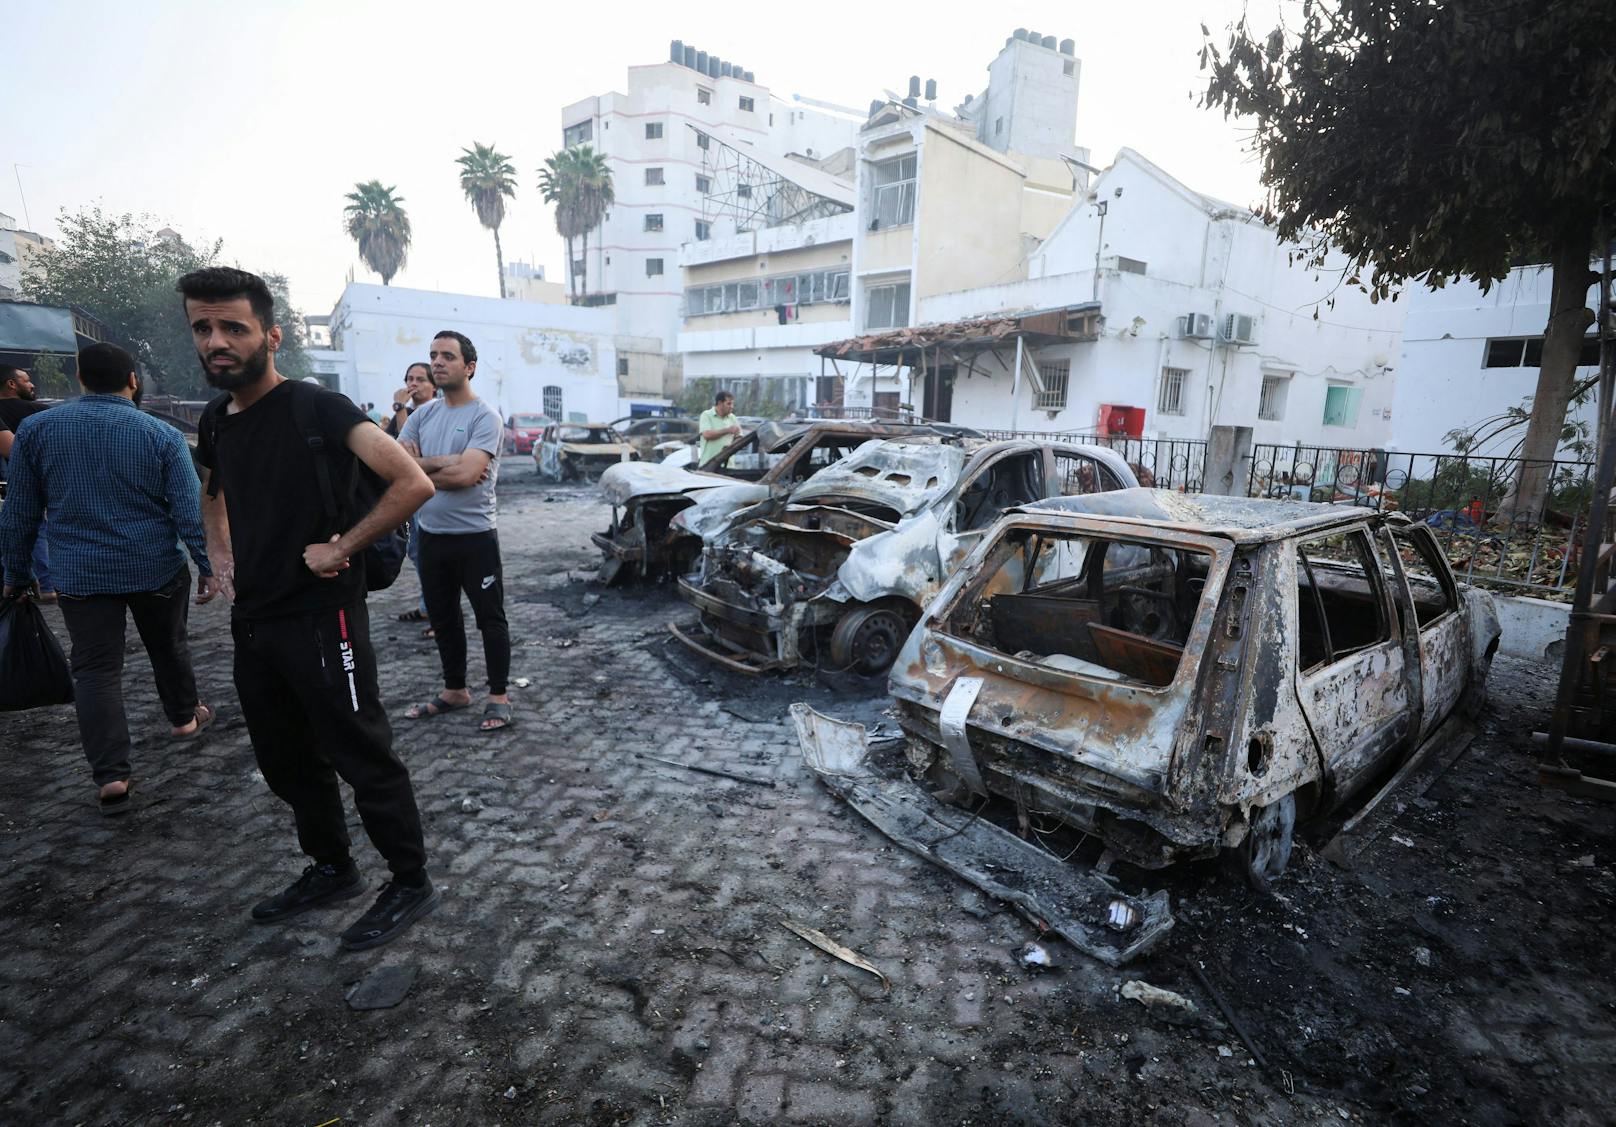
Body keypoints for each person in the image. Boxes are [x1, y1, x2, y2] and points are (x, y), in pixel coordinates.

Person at [182, 266, 440, 952]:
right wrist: (218, 553)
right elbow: (212, 489)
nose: (216, 342)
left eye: (232, 327)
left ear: (270, 335)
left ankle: (410, 880)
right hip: (256, 620)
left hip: (326, 615)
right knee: (285, 758)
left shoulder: (314, 407)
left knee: (361, 751)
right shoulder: (215, 419)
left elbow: (411, 482)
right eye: (202, 328)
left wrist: (343, 545)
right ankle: (332, 866)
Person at [0, 344, 217, 814]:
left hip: (80, 574)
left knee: (95, 671)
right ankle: (183, 718)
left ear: (80, 378)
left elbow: (18, 514)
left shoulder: (36, 431)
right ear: (133, 380)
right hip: (155, 567)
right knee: (169, 646)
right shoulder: (159, 435)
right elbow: (187, 510)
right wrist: (206, 566)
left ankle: (112, 775)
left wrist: (16, 574)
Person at [398, 330, 512, 732]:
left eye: (447, 355)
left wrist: (424, 466)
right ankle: (455, 691)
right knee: (444, 618)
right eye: (433, 355)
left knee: (489, 619)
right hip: (431, 536)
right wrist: (446, 463)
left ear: (470, 366)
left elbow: (467, 476)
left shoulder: (485, 416)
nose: (438, 362)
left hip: (475, 537)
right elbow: (398, 467)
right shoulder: (423, 415)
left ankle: (498, 695)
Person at [387, 362, 439, 627]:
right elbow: (392, 453)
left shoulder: (437, 415)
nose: (413, 384)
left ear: (434, 386)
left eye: (421, 379)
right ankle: (427, 606)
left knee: (431, 556)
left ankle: (438, 614)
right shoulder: (403, 414)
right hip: (408, 498)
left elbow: (410, 454)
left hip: (432, 496)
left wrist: (399, 411)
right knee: (416, 552)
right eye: (410, 378)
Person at [0, 365, 55, 601]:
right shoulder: (38, 411)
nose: (32, 384)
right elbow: (14, 450)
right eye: (26, 380)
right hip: (20, 481)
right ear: (11, 384)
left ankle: (19, 580)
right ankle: (45, 584)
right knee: (36, 528)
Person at [697, 389, 742, 463]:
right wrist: (727, 430)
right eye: (729, 404)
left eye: (732, 404)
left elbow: (739, 437)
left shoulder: (732, 417)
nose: (732, 407)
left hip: (728, 465)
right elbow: (707, 434)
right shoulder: (706, 415)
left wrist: (731, 447)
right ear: (720, 403)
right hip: (709, 466)